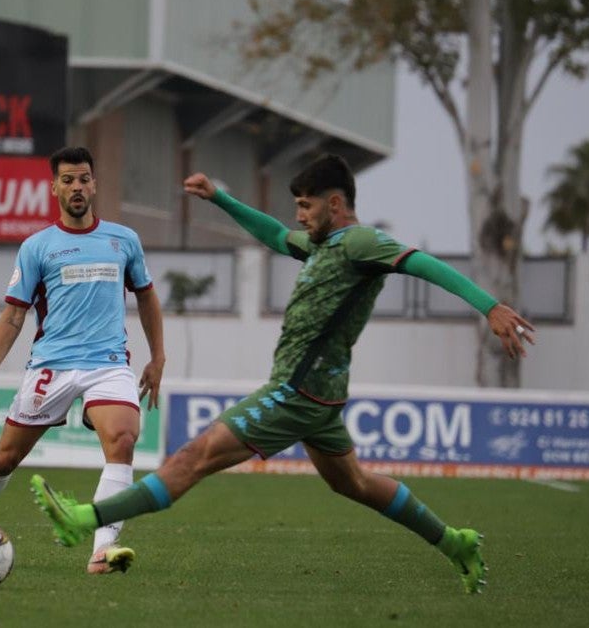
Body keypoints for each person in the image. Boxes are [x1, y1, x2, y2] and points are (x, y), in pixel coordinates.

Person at [31, 153, 536, 594]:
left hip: (295, 394)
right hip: (320, 399)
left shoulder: (361, 242)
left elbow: (423, 263)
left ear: (335, 205)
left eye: (306, 206)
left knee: (193, 457)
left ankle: (86, 520)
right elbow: (274, 235)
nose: (298, 215)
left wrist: (489, 307)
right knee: (355, 483)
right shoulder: (323, 245)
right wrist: (220, 200)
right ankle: (455, 542)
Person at [0, 145, 166, 576]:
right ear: (54, 187)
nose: (77, 187)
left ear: (94, 184)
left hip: (108, 363)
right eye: (68, 180)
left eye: (83, 179)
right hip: (51, 366)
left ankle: (102, 550)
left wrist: (158, 357)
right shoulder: (37, 247)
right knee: (5, 459)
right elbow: (14, 314)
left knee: (123, 440)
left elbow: (148, 296)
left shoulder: (123, 240)